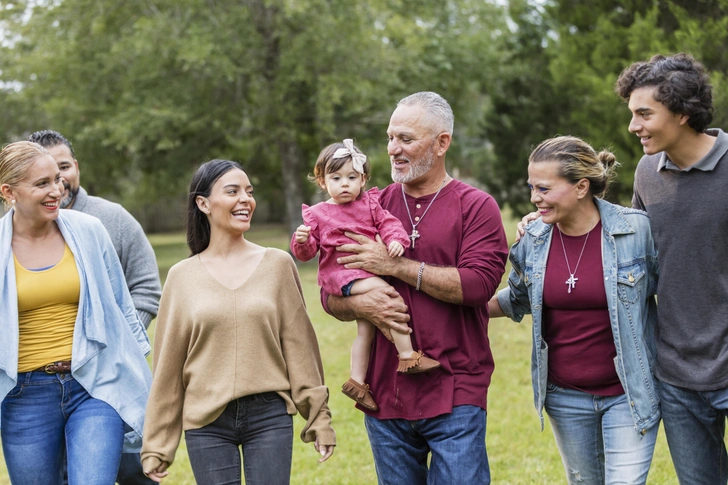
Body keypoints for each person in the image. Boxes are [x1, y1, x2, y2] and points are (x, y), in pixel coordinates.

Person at [323, 92, 508, 484]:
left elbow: (477, 285)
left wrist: (395, 266)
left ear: (442, 143)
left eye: (406, 139)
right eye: (390, 138)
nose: (393, 149)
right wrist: (362, 306)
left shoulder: (477, 207)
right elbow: (329, 294)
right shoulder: (369, 203)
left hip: (456, 388)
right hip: (385, 394)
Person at [141, 159, 335, 484]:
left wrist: (319, 419)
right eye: (232, 191)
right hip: (206, 422)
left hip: (269, 415)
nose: (245, 199)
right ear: (203, 203)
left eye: (249, 191)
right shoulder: (181, 278)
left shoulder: (277, 265)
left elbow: (300, 347)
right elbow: (168, 369)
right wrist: (157, 445)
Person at [488, 136, 660, 484]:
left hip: (628, 394)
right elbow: (518, 299)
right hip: (565, 398)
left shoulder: (636, 230)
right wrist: (459, 304)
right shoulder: (532, 239)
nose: (535, 198)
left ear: (581, 186)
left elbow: (670, 294)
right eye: (532, 187)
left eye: (544, 188)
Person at [0, 141, 152, 485]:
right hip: (25, 396)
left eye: (57, 179)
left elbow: (122, 307)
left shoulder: (88, 231)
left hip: (93, 384)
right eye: (42, 184)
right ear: (8, 191)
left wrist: (135, 373)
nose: (56, 190)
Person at [615, 53, 728, 484]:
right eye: (632, 114)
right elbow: (633, 254)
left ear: (682, 113)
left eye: (645, 114)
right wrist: (547, 217)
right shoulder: (647, 173)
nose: (633, 126)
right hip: (677, 372)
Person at [291, 138, 441, 412]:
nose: (345, 184)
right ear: (323, 182)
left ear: (363, 179)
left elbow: (389, 224)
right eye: (336, 178)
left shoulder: (370, 205)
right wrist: (301, 240)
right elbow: (307, 252)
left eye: (352, 177)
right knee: (389, 295)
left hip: (364, 272)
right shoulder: (318, 214)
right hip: (342, 276)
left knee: (366, 329)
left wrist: (397, 240)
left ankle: (357, 382)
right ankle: (407, 356)